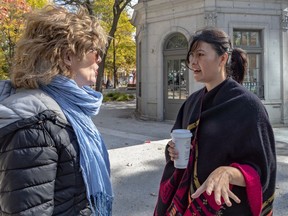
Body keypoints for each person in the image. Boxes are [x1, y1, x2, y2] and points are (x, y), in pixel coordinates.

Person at [0, 5, 113, 216]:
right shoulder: (37, 124)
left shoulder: (67, 110)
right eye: (94, 51)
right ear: (68, 56)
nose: (99, 59)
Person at [154, 28, 276, 216]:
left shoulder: (249, 106)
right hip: (188, 205)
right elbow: (179, 149)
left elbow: (263, 170)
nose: (193, 61)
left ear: (222, 58)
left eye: (200, 54)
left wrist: (228, 173)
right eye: (191, 55)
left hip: (226, 208)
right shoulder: (191, 103)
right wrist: (171, 150)